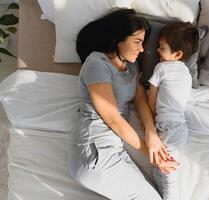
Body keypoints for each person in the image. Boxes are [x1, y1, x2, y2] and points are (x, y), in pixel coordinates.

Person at [69, 8, 179, 200]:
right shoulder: (97, 62)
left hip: (113, 150)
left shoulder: (131, 66)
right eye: (137, 42)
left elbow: (140, 100)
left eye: (143, 43)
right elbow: (113, 120)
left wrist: (152, 134)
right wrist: (153, 156)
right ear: (118, 39)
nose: (142, 49)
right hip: (94, 151)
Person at [147, 21, 200, 200]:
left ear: (177, 54)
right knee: (159, 167)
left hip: (167, 126)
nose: (156, 51)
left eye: (161, 48)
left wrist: (151, 116)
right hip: (179, 129)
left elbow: (152, 97)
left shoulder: (161, 67)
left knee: (168, 172)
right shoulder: (186, 73)